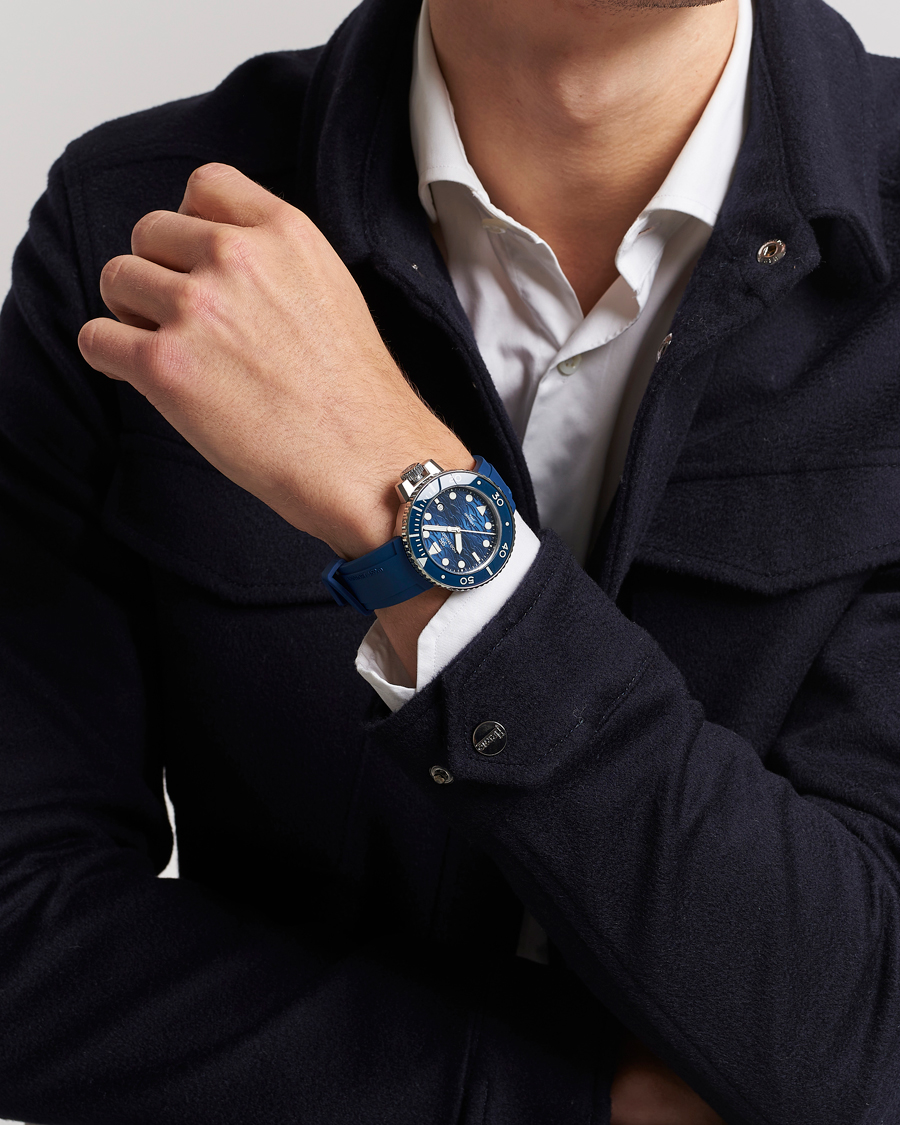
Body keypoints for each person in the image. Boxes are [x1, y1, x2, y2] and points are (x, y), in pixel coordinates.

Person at [2, 0, 900, 1119]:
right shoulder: (141, 228)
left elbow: (871, 1031)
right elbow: (21, 923)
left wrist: (402, 493)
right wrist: (580, 1099)